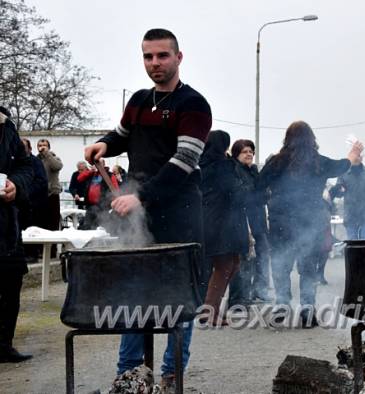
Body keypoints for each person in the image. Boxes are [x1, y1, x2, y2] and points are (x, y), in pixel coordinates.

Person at [83, 28, 211, 390]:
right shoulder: (139, 100)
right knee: (135, 295)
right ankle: (129, 376)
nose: (154, 63)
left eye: (162, 56)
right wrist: (103, 144)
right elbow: (121, 134)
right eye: (148, 56)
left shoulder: (194, 105)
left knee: (179, 303)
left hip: (181, 218)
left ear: (178, 57)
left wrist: (142, 196)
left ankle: (171, 377)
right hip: (140, 221)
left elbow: (184, 160)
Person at [258, 121, 363, 327]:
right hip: (310, 220)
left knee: (281, 264)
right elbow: (341, 166)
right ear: (311, 139)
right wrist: (353, 152)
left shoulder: (276, 162)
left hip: (281, 220)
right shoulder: (318, 161)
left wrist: (271, 197)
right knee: (308, 266)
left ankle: (282, 305)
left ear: (287, 139)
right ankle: (307, 309)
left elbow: (258, 185)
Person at [200, 131, 250, 324]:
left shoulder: (203, 164)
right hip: (222, 221)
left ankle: (211, 309)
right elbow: (234, 191)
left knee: (232, 264)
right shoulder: (223, 165)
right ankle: (209, 311)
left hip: (212, 220)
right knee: (224, 266)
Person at [0, 107, 34, 363]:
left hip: (6, 226)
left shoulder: (6, 126)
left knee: (11, 284)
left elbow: (25, 167)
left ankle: (4, 345)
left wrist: (16, 185)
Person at [228, 139, 272, 306]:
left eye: (251, 151)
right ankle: (240, 297)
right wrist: (258, 194)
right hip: (242, 222)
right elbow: (243, 196)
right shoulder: (234, 171)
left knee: (263, 255)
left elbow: (264, 194)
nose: (249, 154)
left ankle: (259, 290)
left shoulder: (254, 171)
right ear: (236, 154)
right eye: (245, 151)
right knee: (244, 260)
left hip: (258, 221)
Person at [328, 156, 365, 240]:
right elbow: (338, 194)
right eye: (354, 155)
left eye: (358, 155)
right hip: (350, 216)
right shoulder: (344, 174)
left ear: (362, 157)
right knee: (352, 245)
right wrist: (339, 189)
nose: (356, 158)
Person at [18, 138, 48, 261]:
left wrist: (26, 191)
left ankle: (32, 254)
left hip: (33, 202)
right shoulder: (17, 161)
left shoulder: (35, 162)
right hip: (19, 201)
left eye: (23, 147)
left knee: (31, 228)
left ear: (29, 149)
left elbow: (41, 181)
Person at [76, 159, 119, 229]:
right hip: (90, 206)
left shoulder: (109, 175)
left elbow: (115, 190)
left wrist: (114, 202)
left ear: (104, 165)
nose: (98, 166)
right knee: (87, 226)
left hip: (103, 206)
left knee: (103, 228)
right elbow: (79, 178)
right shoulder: (91, 174)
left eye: (99, 164)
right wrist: (91, 171)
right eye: (96, 164)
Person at [36, 138, 63, 232]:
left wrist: (47, 154)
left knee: (53, 222)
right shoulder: (35, 160)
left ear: (49, 147)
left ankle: (53, 246)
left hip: (52, 194)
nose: (42, 147)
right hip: (39, 194)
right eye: (40, 145)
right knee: (41, 222)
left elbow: (57, 166)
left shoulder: (54, 158)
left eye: (44, 145)